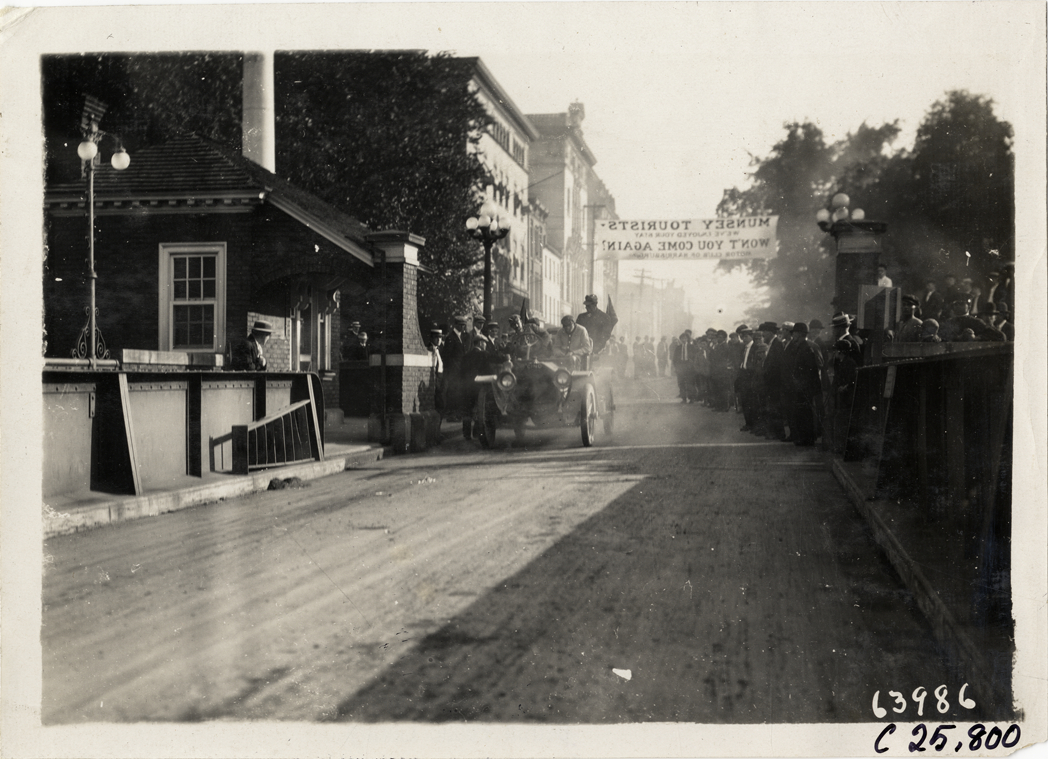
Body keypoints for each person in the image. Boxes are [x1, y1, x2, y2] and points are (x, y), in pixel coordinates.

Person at [789, 321, 823, 446]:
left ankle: (807, 439)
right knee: (802, 413)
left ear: (799, 334)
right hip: (802, 386)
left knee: (806, 413)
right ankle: (804, 437)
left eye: (795, 333)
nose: (793, 336)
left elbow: (813, 368)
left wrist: (802, 382)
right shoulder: (801, 346)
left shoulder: (808, 347)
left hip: (806, 387)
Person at [759, 322, 787, 440]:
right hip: (771, 382)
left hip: (775, 383)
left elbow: (778, 365)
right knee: (772, 408)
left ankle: (778, 433)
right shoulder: (772, 344)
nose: (763, 335)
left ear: (770, 332)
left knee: (775, 408)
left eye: (764, 332)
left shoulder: (777, 344)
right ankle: (774, 432)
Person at [671, 330, 695, 403]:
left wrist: (692, 364)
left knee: (690, 382)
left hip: (689, 366)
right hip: (680, 366)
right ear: (680, 339)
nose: (684, 340)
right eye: (682, 338)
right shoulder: (678, 348)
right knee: (681, 382)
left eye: (685, 338)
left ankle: (691, 398)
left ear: (687, 339)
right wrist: (676, 367)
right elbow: (674, 359)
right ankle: (683, 398)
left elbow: (694, 357)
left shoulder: (691, 347)